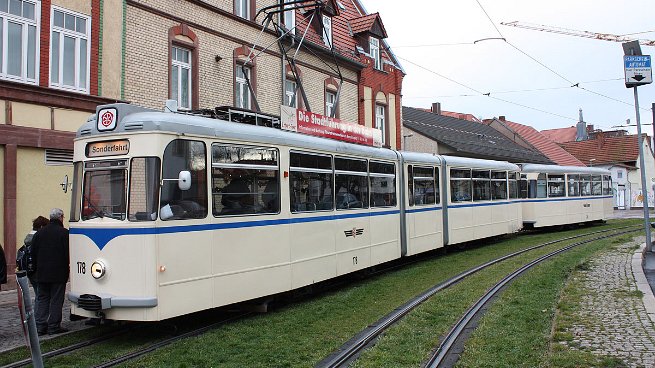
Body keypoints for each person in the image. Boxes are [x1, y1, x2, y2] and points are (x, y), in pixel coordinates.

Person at [32, 208, 69, 335]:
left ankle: (40, 326)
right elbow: (67, 254)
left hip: (42, 273)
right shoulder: (64, 233)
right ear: (61, 217)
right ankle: (53, 326)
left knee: (42, 299)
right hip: (58, 273)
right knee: (56, 299)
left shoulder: (39, 234)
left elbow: (33, 253)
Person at [21, 216, 49, 311]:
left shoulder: (28, 237)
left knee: (38, 294)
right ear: (41, 227)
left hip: (30, 270)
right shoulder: (38, 237)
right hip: (37, 270)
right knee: (41, 296)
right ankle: (38, 318)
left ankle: (38, 317)